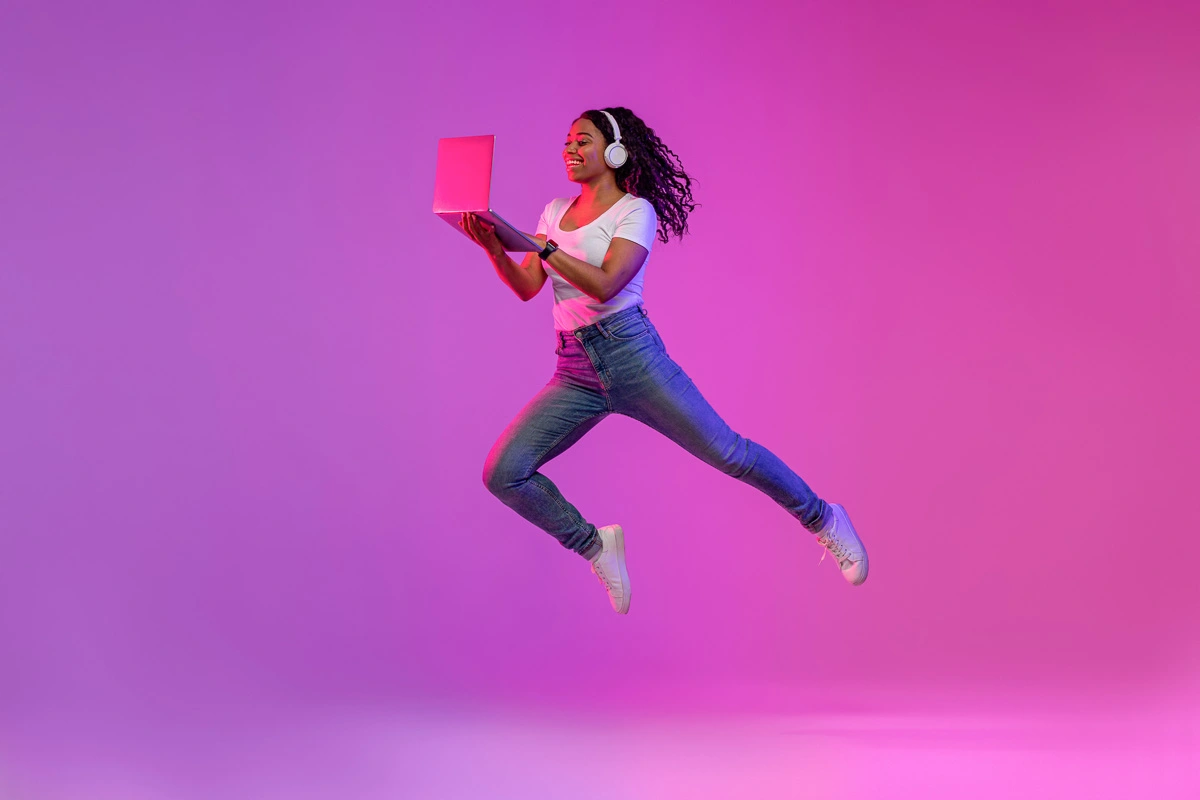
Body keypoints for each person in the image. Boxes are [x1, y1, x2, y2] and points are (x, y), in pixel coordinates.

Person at [460, 106, 868, 615]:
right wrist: (496, 251)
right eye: (566, 140)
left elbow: (608, 283)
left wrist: (545, 250)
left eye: (582, 141)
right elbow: (527, 289)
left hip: (632, 356)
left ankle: (823, 518)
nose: (569, 149)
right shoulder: (553, 212)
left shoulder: (636, 212)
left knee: (729, 453)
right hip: (575, 370)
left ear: (613, 153)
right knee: (504, 472)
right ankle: (594, 545)